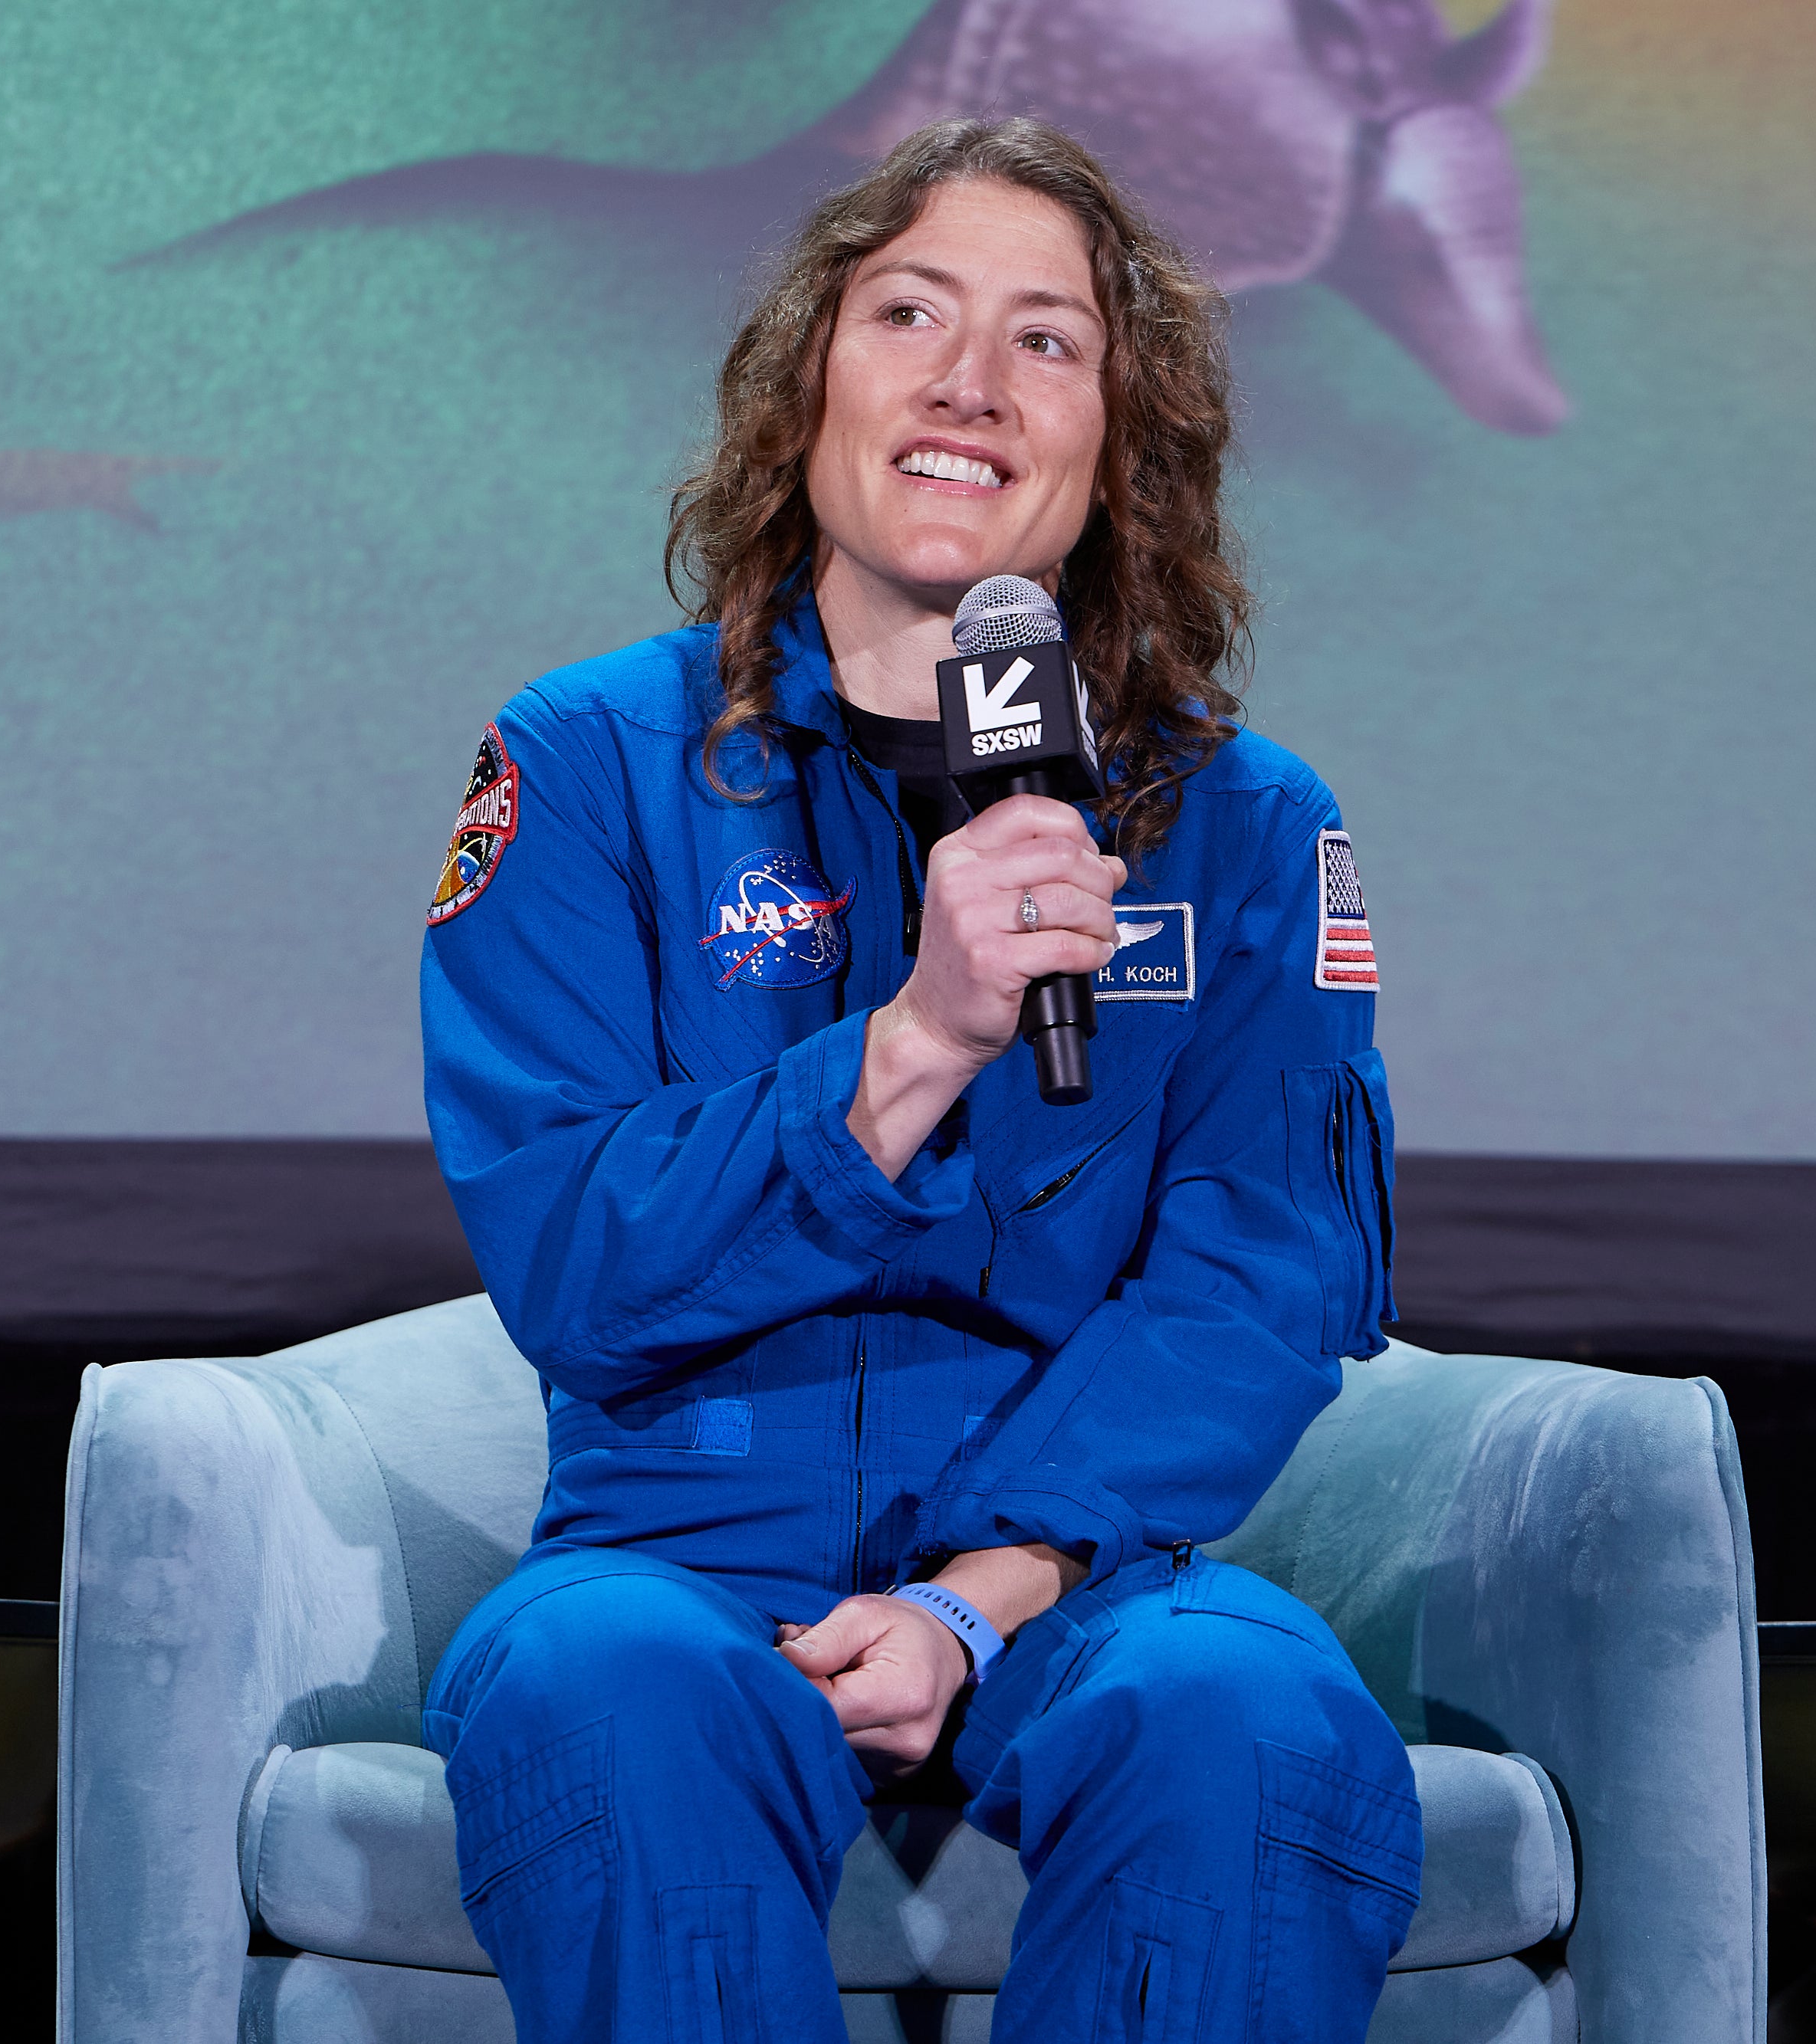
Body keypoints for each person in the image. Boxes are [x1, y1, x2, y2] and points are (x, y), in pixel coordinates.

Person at [415, 116, 1414, 2042]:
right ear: (807, 385)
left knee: (1247, 1714)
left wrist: (986, 1588)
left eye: (1048, 341)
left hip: (1075, 1561)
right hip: (685, 1547)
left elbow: (1261, 1270)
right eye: (909, 314)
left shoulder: (1247, 822)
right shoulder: (584, 764)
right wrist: (913, 1040)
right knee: (596, 1686)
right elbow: (568, 1249)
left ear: (1117, 447)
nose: (970, 380)